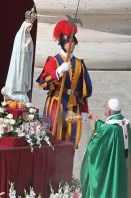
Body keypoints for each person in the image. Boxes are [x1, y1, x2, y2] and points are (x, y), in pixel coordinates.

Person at [36, 20, 92, 149]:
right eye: (68, 42)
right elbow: (43, 82)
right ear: (63, 43)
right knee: (54, 135)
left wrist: (84, 109)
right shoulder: (54, 60)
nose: (71, 44)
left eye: (73, 42)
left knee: (72, 136)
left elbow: (84, 89)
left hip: (74, 105)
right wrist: (58, 71)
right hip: (57, 103)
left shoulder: (79, 63)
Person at [80, 98, 131, 198]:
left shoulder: (110, 128)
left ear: (109, 111)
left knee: (111, 183)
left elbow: (95, 146)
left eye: (105, 107)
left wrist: (90, 147)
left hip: (113, 164)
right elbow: (107, 130)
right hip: (123, 163)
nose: (104, 108)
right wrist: (96, 120)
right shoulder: (125, 124)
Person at [1, 7, 37, 105]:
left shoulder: (28, 37)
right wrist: (26, 45)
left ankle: (21, 90)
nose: (30, 29)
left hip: (25, 62)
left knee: (23, 78)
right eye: (29, 27)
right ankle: (11, 91)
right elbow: (19, 50)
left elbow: (30, 51)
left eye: (31, 27)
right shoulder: (19, 36)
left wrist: (29, 46)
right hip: (19, 62)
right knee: (18, 76)